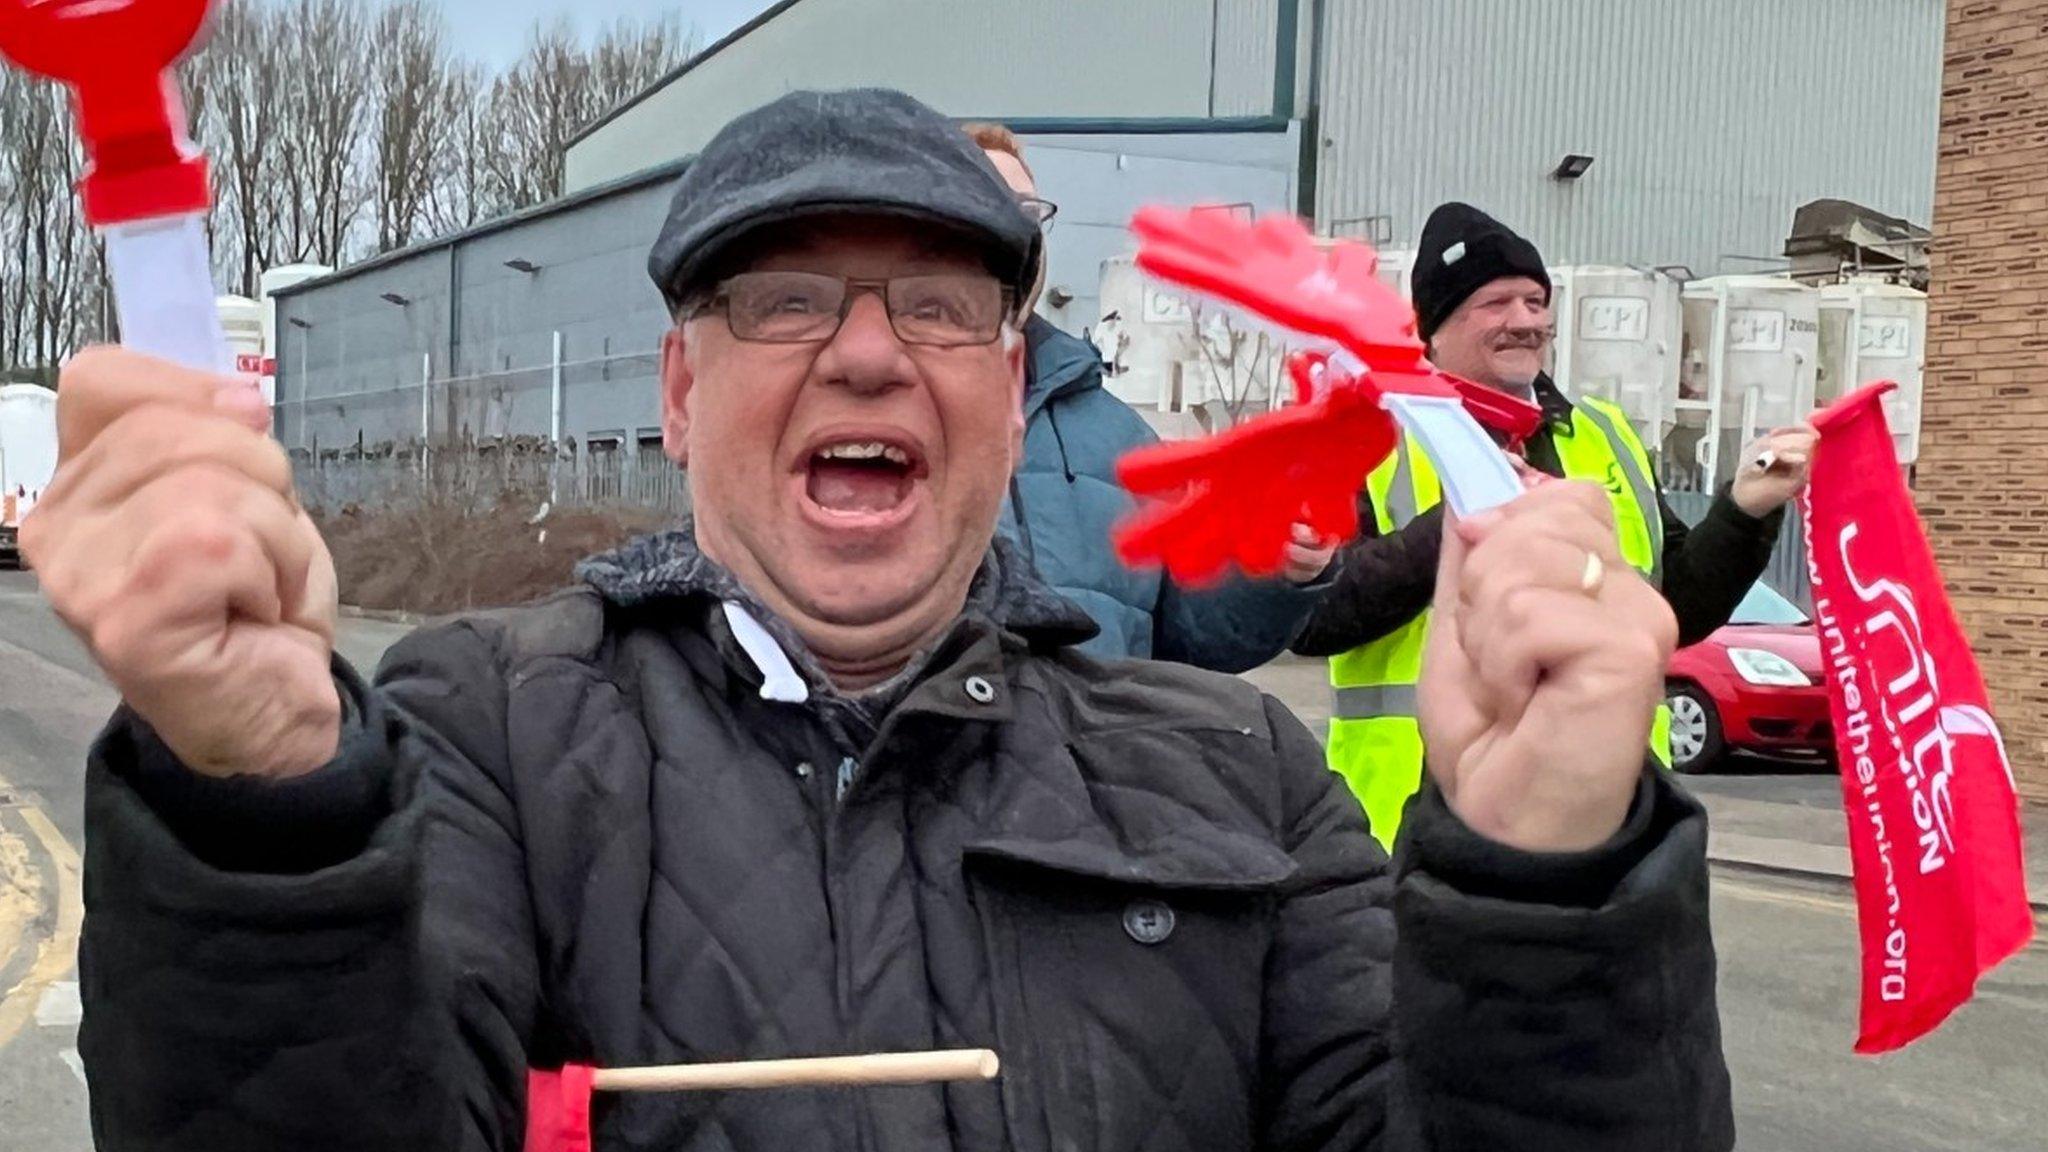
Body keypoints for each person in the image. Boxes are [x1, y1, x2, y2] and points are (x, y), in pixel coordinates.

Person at [26, 90, 1733, 1151]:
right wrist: (258, 813)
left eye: (937, 301)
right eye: (782, 300)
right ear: (681, 392)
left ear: (1013, 391)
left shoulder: (1234, 783)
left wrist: (1544, 892)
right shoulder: (481, 730)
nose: (863, 353)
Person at [1294, 201, 1817, 849]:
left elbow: (1675, 606)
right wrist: (1457, 526)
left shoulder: (1606, 436)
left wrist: (1744, 511)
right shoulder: (1369, 438)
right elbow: (1313, 618)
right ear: (1434, 327)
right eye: (1497, 303)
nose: (1526, 322)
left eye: (1537, 302)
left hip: (1607, 821)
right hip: (1419, 824)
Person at [964, 121, 1333, 673]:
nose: (1012, 230)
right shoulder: (877, 422)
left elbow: (1197, 636)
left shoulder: (1122, 440)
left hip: (1089, 758)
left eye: (1027, 212)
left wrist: (1276, 565)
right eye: (983, 204)